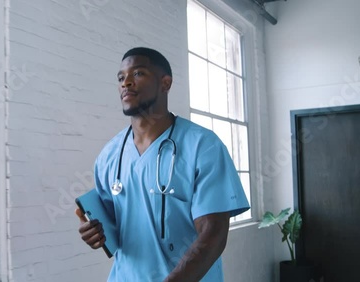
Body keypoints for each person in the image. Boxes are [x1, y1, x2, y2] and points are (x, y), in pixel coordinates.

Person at [75, 47, 250, 282]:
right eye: (120, 77)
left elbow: (214, 235)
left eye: (138, 74)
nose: (126, 82)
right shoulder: (109, 156)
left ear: (165, 83)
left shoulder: (202, 146)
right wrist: (95, 234)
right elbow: (115, 228)